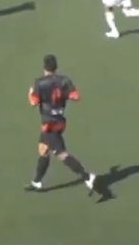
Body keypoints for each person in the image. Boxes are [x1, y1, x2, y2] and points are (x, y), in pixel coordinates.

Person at [25, 54, 98, 192]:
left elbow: (34, 102)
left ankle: (87, 177)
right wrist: (64, 95)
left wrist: (30, 93)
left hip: (49, 125)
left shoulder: (39, 83)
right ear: (56, 67)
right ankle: (37, 182)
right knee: (43, 149)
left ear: (44, 67)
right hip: (59, 122)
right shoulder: (64, 80)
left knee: (62, 154)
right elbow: (76, 96)